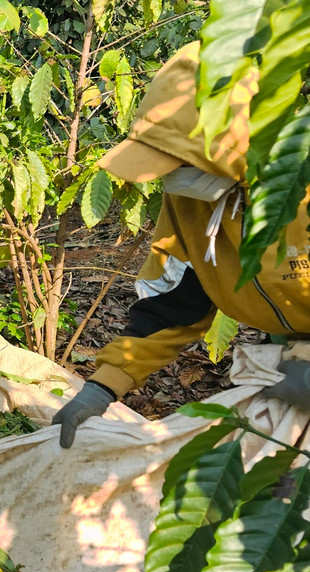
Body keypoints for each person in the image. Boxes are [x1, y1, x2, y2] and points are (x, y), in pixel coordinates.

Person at [54, 42, 310, 447]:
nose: (173, 178)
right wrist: (103, 387)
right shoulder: (193, 200)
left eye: (183, 163)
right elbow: (173, 305)